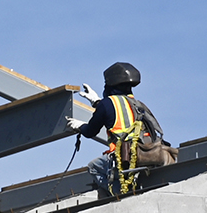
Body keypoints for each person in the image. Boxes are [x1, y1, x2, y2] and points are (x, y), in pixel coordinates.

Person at [66, 61, 176, 196]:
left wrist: (79, 126)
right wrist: (96, 102)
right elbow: (115, 112)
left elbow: (91, 131)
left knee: (94, 167)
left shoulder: (107, 104)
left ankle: (119, 194)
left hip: (125, 156)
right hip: (148, 152)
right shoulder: (138, 104)